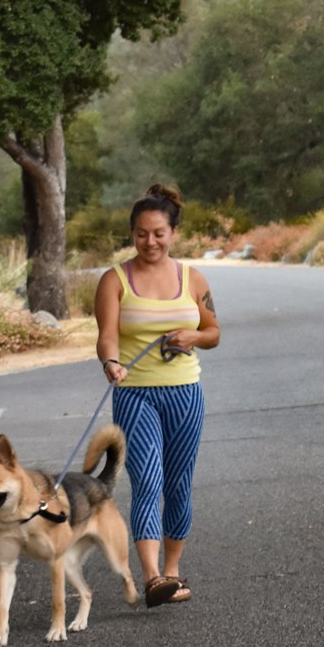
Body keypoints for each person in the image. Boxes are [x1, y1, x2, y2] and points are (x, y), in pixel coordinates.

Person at [95, 184, 220, 607]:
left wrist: (193, 336)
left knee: (179, 485)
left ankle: (172, 571)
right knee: (147, 480)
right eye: (142, 233)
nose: (150, 241)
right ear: (132, 233)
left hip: (185, 393)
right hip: (134, 394)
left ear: (173, 232)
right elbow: (107, 337)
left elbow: (214, 332)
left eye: (159, 233)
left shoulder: (194, 279)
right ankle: (151, 578)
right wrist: (111, 363)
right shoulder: (114, 280)